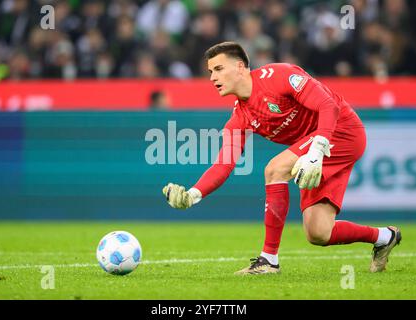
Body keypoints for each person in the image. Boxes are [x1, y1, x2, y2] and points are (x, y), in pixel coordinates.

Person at [162, 41, 401, 274]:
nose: (212, 77)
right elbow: (223, 165)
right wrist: (193, 195)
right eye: (210, 72)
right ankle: (384, 237)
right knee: (318, 233)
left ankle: (268, 260)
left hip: (342, 131)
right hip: (312, 151)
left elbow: (329, 106)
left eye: (219, 69)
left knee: (274, 169)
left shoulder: (279, 76)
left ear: (241, 67)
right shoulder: (238, 119)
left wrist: (317, 151)